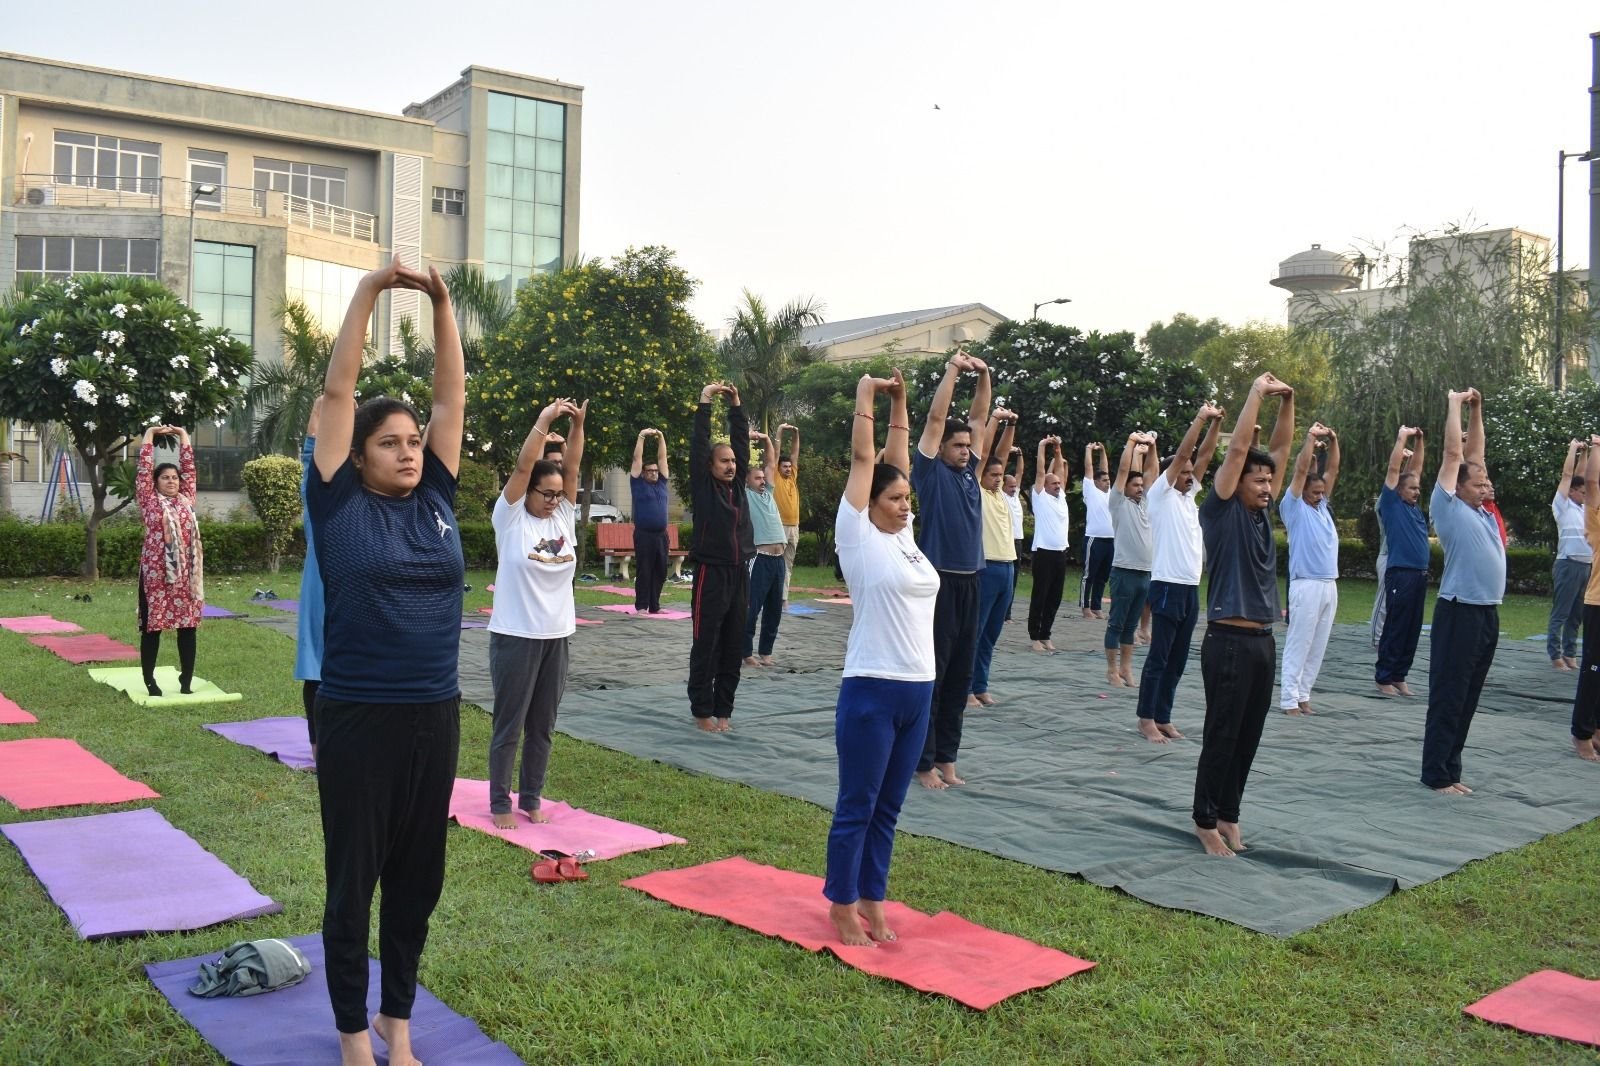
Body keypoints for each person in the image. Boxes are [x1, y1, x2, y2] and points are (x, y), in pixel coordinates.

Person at [307, 256, 466, 1066]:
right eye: (390, 443)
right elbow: (338, 392)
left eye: (413, 442)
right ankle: (351, 1035)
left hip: (435, 713)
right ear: (358, 455)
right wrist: (371, 290)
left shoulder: (436, 499)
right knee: (354, 882)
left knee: (417, 881)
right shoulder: (336, 502)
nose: (408, 452)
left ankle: (396, 1023)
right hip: (360, 714)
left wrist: (442, 303)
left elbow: (449, 399)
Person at [824, 368, 937, 947]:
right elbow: (867, 460)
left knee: (889, 807)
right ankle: (842, 904)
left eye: (907, 499)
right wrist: (866, 395)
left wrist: (902, 401)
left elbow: (898, 460)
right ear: (867, 503)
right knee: (858, 805)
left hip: (919, 688)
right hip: (871, 687)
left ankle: (873, 897)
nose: (904, 506)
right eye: (894, 499)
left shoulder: (905, 538)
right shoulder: (858, 535)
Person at [1193, 372, 1295, 856]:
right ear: (1236, 484)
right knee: (1223, 734)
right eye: (1259, 480)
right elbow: (1237, 452)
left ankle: (1229, 815)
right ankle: (1204, 820)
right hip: (1228, 643)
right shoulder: (1221, 510)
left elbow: (1281, 448)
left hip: (1262, 642)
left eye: (1270, 480)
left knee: (1248, 736)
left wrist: (1288, 402)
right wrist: (1256, 393)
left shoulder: (1260, 515)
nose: (1268, 486)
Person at [488, 397, 586, 830]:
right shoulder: (510, 519)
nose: (552, 500)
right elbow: (523, 466)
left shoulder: (562, 517)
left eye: (557, 494)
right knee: (510, 724)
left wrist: (577, 426)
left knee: (543, 725)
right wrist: (545, 420)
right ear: (526, 491)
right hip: (516, 636)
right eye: (545, 494)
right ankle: (499, 802)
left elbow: (574, 466)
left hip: (556, 636)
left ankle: (531, 797)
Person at [910, 352, 991, 789]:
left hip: (972, 581)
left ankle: (947, 759)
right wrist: (954, 370)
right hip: (939, 582)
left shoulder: (970, 472)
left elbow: (978, 418)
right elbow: (937, 418)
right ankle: (922, 762)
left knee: (961, 675)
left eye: (966, 446)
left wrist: (985, 375)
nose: (964, 450)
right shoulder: (929, 472)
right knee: (936, 674)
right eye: (957, 445)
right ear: (940, 447)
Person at [1422, 388, 1504, 795]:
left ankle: (1451, 770)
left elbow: (1476, 455)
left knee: (1469, 696)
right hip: (1460, 612)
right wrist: (1454, 403)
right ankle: (1436, 774)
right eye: (1479, 482)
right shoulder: (1448, 507)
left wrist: (1477, 409)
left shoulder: (1482, 512)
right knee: (1450, 694)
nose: (1486, 484)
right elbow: (1455, 455)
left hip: (1487, 612)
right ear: (1459, 487)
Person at [1135, 402, 1224, 743]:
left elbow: (1206, 454)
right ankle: (1146, 719)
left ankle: (1164, 716)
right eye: (1184, 472)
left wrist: (1216, 423)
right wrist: (1201, 418)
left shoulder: (1189, 498)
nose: (1190, 475)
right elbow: (1188, 452)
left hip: (1189, 588)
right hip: (1167, 586)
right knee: (1159, 657)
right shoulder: (1161, 495)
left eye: (1191, 473)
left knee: (1178, 659)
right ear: (1170, 475)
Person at [688, 381, 753, 732]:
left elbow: (741, 443)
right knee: (707, 643)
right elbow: (699, 444)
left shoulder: (739, 486)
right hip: (710, 574)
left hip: (739, 573)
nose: (730, 465)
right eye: (724, 461)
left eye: (733, 461)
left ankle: (724, 711)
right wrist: (705, 401)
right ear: (710, 465)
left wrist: (737, 406)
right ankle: (702, 712)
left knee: (733, 645)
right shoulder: (703, 487)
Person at [136, 423, 203, 697]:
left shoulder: (187, 499)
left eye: (175, 477)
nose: (172, 481)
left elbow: (189, 469)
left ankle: (186, 680)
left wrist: (183, 435)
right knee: (152, 628)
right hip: (156, 577)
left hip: (186, 577)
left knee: (188, 626)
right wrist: (150, 435)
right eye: (165, 477)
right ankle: (150, 681)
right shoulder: (149, 501)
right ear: (155, 482)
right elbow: (143, 470)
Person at [1279, 423, 1341, 716]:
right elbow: (1301, 470)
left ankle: (1304, 695)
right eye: (1315, 492)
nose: (1319, 495)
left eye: (1321, 492)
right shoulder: (1293, 507)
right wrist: (1310, 438)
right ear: (1302, 490)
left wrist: (1334, 440)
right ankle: (1289, 699)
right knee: (1299, 642)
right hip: (1306, 584)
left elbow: (1334, 470)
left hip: (1329, 584)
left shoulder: (1322, 507)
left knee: (1318, 645)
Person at [969, 408, 1020, 707]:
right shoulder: (976, 489)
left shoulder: (1000, 493)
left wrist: (1011, 425)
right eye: (994, 475)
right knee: (975, 633)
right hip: (986, 567)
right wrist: (995, 420)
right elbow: (987, 452)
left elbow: (1000, 455)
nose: (999, 479)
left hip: (1008, 568)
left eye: (1001, 475)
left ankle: (981, 685)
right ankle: (964, 689)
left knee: (991, 634)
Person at [1374, 426, 1428, 697]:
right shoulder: (1392, 503)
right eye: (1412, 489)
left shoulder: (1413, 508)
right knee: (1396, 626)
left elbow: (1415, 469)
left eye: (1418, 488)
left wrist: (1420, 441)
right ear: (1398, 490)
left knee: (1412, 629)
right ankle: (1384, 676)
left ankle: (1399, 675)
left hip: (1419, 575)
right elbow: (1395, 469)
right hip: (1401, 574)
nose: (1417, 491)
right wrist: (1403, 437)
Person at [1105, 431, 1157, 687]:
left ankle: (1126, 668)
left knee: (1131, 626)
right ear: (1124, 487)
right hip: (1124, 572)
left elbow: (1152, 472)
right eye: (1135, 485)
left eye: (1140, 485)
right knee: (1116, 624)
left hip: (1144, 574)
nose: (1140, 488)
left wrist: (1152, 446)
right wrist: (1131, 442)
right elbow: (1124, 469)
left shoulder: (1145, 504)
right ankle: (1112, 670)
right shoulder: (1118, 503)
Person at [744, 429, 788, 668]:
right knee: (751, 608)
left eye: (763, 478)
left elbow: (772, 462)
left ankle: (766, 652)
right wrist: (744, 439)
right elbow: (739, 462)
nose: (762, 481)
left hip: (778, 560)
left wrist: (767, 440)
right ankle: (745, 652)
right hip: (759, 559)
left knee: (774, 610)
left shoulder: (769, 493)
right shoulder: (744, 496)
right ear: (747, 481)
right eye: (757, 478)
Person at [297, 399, 326, 749]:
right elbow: (309, 466)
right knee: (316, 673)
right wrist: (317, 415)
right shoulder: (320, 521)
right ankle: (319, 748)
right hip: (322, 604)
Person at [1569, 435, 1600, 760]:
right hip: (1598, 603)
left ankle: (1597, 728)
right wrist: (1597, 449)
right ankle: (1581, 733)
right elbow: (1591, 482)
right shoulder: (1595, 520)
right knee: (1593, 671)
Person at [1548, 439, 1591, 671]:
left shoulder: (1583, 508)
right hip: (1568, 564)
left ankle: (1570, 653)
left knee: (1576, 615)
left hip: (1585, 566)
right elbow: (1568, 476)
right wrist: (1573, 449)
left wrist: (1586, 453)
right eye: (1582, 492)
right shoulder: (1562, 505)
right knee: (1561, 613)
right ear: (1572, 491)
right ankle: (1555, 655)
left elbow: (1581, 476)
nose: (1585, 495)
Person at [1027, 436, 1069, 654]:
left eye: (1059, 483)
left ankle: (1046, 634)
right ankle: (1034, 636)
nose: (1058, 485)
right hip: (1043, 554)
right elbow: (1041, 472)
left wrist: (1058, 449)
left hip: (1060, 554)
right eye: (1054, 483)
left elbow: (1059, 469)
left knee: (1055, 597)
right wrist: (1042, 446)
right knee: (1040, 596)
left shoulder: (1061, 497)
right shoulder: (1040, 497)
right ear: (1044, 486)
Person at [628, 427, 671, 614]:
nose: (654, 473)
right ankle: (642, 606)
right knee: (644, 570)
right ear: (643, 473)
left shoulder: (662, 483)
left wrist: (661, 437)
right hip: (644, 535)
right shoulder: (637, 484)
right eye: (650, 471)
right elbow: (637, 459)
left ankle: (655, 606)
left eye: (655, 471)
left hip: (661, 535)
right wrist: (641, 436)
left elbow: (662, 458)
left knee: (660, 571)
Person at [1080, 443, 1114, 619]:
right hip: (1094, 539)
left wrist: (1102, 451)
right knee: (1089, 575)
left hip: (1110, 540)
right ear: (1095, 482)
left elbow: (1104, 468)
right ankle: (1085, 607)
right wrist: (1089, 450)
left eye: (1108, 480)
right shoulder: (1091, 491)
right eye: (1104, 480)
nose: (1108, 482)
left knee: (1103, 576)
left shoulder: (1110, 493)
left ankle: (1096, 606)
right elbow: (1089, 469)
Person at [772, 422, 801, 602]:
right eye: (785, 466)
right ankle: (772, 596)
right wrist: (780, 431)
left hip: (794, 527)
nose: (788, 469)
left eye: (790, 466)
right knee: (775, 563)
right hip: (780, 526)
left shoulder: (793, 477)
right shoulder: (775, 477)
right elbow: (776, 453)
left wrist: (796, 434)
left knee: (788, 564)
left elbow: (795, 454)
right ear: (779, 467)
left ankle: (783, 598)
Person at [1003, 447, 1027, 622]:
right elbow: (1000, 469)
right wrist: (1006, 452)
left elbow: (1020, 472)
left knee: (1014, 578)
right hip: (1005, 541)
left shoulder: (1015, 495)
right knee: (1005, 578)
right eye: (1010, 486)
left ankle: (1008, 614)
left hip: (1018, 541)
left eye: (1014, 486)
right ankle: (1001, 612)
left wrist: (1019, 454)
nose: (1013, 488)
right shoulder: (1000, 496)